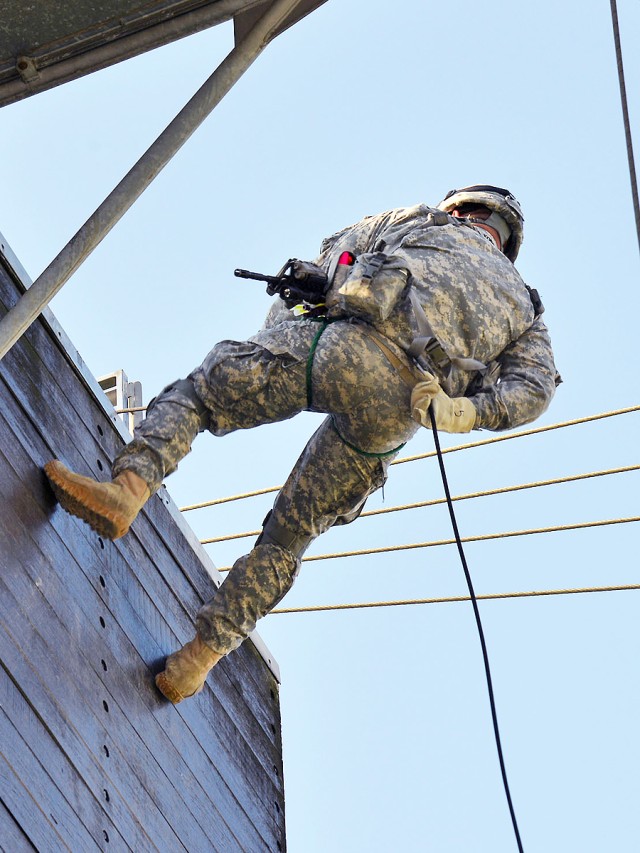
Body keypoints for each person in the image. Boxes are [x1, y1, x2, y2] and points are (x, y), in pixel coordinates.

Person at [44, 185, 559, 703]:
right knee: (289, 538)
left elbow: (336, 256)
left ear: (460, 208)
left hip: (347, 349)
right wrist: (466, 411)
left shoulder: (421, 221)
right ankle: (196, 662)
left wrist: (281, 332)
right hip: (401, 417)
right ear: (508, 240)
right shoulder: (526, 307)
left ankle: (126, 492)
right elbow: (534, 389)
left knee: (201, 393)